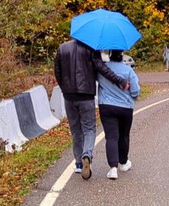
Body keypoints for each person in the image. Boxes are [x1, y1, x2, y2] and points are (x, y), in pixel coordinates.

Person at [55, 39, 128, 180]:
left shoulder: (62, 48)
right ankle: (87, 154)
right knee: (89, 128)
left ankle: (78, 164)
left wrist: (65, 89)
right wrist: (119, 80)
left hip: (69, 96)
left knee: (76, 130)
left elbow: (57, 72)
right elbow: (102, 68)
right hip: (86, 95)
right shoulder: (90, 49)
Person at [98, 49, 140, 180]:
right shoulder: (128, 70)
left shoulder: (103, 69)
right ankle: (123, 162)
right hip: (125, 107)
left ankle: (113, 168)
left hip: (106, 106)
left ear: (110, 55)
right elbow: (135, 91)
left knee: (111, 137)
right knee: (124, 135)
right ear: (122, 56)